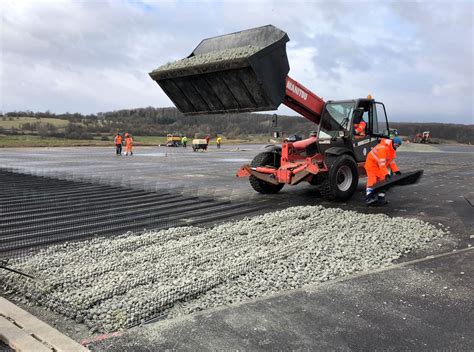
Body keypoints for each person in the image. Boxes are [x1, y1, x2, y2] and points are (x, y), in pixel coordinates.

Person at [365, 137, 402, 206]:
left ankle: (380, 198)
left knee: (383, 181)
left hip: (379, 166)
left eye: (398, 146)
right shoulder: (383, 148)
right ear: (393, 142)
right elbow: (382, 163)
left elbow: (391, 162)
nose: (397, 147)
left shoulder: (392, 150)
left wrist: (396, 171)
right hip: (372, 164)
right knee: (372, 180)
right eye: (396, 145)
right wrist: (386, 174)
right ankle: (369, 198)